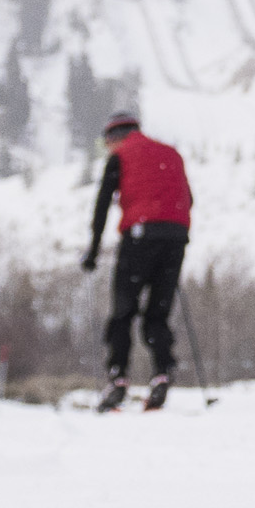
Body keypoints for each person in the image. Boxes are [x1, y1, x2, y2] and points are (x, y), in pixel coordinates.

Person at [82, 110, 193, 412]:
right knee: (157, 314)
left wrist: (92, 251)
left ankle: (118, 378)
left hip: (140, 236)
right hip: (175, 236)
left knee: (123, 312)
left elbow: (103, 203)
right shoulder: (170, 154)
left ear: (113, 137)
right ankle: (162, 372)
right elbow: (188, 197)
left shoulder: (121, 156)